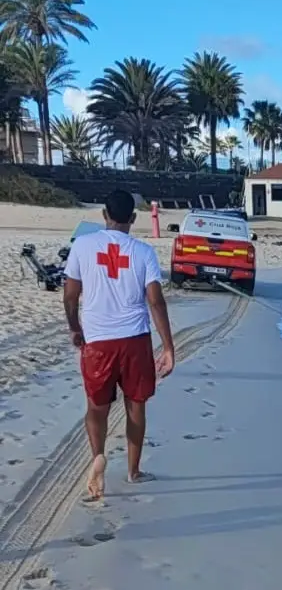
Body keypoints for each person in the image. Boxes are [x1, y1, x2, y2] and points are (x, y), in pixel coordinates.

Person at [63, 190, 176, 500]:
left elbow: (70, 296)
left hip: (98, 341)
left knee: (96, 407)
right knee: (135, 405)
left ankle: (98, 455)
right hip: (135, 340)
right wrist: (168, 346)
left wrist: (75, 329)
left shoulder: (83, 246)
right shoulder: (143, 252)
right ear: (133, 218)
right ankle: (133, 470)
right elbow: (155, 301)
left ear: (104, 215)